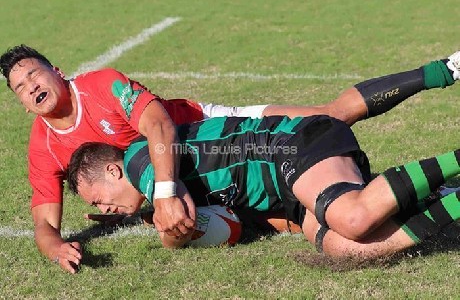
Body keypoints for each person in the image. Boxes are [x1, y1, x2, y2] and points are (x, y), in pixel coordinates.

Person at [1, 44, 459, 273]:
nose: (32, 87)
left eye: (34, 75)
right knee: (344, 245)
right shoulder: (44, 148)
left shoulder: (100, 87)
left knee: (333, 116)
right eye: (21, 87)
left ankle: (444, 71)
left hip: (213, 129)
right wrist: (56, 245)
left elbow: (159, 124)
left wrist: (161, 194)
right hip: (209, 177)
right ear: (21, 103)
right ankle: (444, 197)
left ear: (55, 72)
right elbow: (44, 221)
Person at [67, 115, 460, 260]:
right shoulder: (156, 197)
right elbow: (230, 230)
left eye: (98, 199)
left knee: (354, 217)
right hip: (290, 195)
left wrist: (168, 226)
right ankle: (452, 202)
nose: (106, 210)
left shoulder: (140, 161)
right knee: (346, 248)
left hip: (286, 145)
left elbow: (178, 218)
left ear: (114, 173)